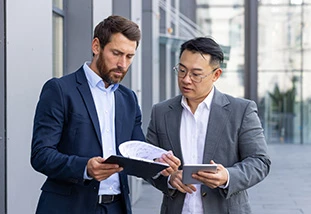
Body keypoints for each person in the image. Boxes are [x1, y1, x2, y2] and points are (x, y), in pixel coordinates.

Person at [31, 15, 167, 214]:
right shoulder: (60, 90)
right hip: (69, 208)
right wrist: (84, 167)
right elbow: (41, 154)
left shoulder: (128, 99)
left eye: (129, 56)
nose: (123, 64)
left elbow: (136, 153)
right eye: (117, 53)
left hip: (116, 208)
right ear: (96, 46)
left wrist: (157, 161)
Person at [145, 37, 271, 214]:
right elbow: (147, 162)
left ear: (216, 75)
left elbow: (260, 161)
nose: (186, 79)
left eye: (196, 74)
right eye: (181, 70)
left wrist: (227, 176)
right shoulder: (161, 112)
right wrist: (169, 178)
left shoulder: (241, 111)